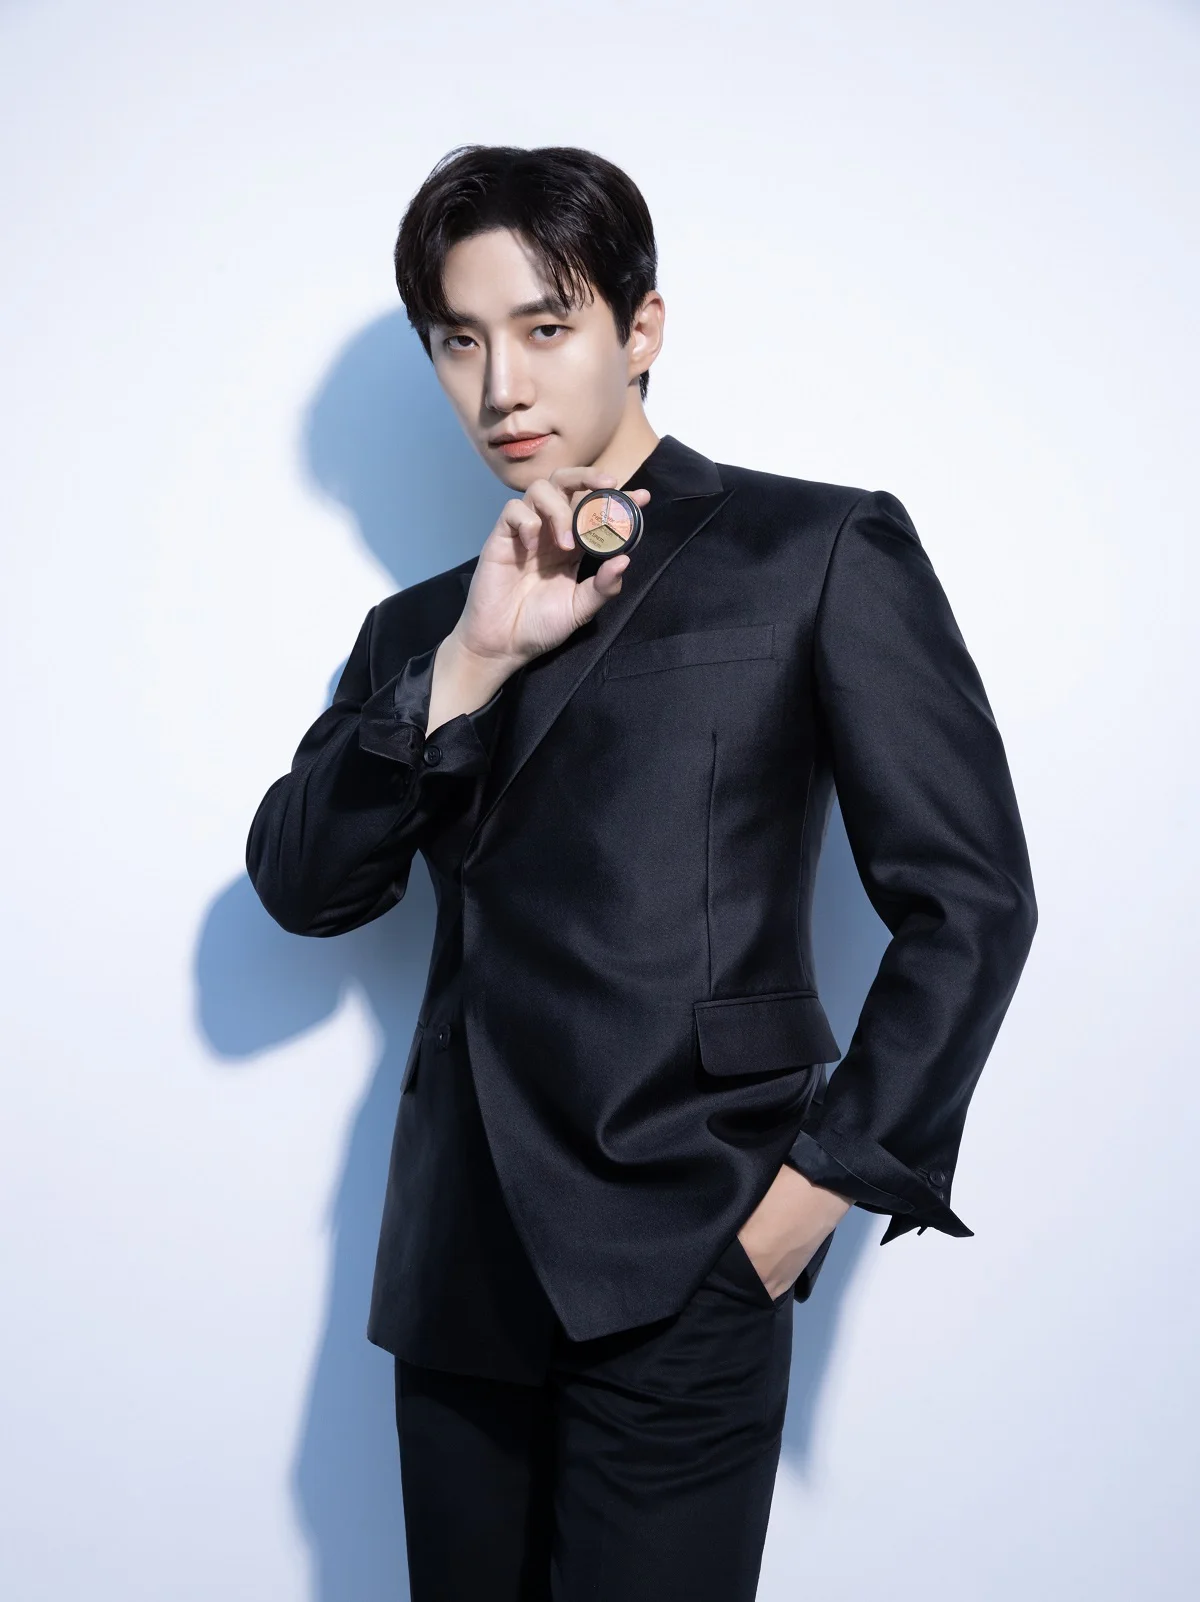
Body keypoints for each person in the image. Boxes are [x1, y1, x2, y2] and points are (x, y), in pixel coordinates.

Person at [246, 144, 1038, 1602]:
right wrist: (468, 664)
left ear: (642, 327)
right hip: (458, 1276)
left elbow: (971, 901)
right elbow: (305, 886)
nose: (503, 387)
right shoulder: (422, 629)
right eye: (460, 341)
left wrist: (808, 1201)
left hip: (691, 1254)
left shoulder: (816, 549)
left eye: (545, 326)